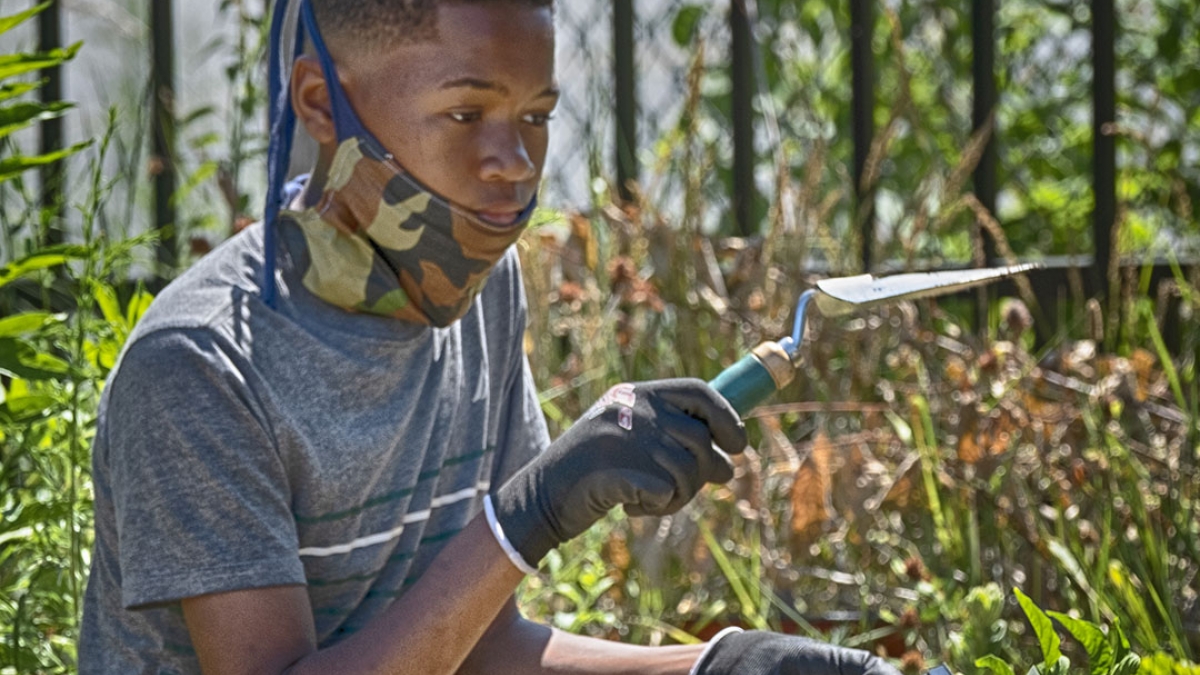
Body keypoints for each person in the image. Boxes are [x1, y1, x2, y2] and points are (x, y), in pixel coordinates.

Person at [78, 1, 905, 674]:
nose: (514, 161)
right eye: (466, 112)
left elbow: (475, 647)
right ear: (321, 102)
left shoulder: (479, 290)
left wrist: (721, 664)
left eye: (536, 116)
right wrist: (525, 513)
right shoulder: (201, 364)